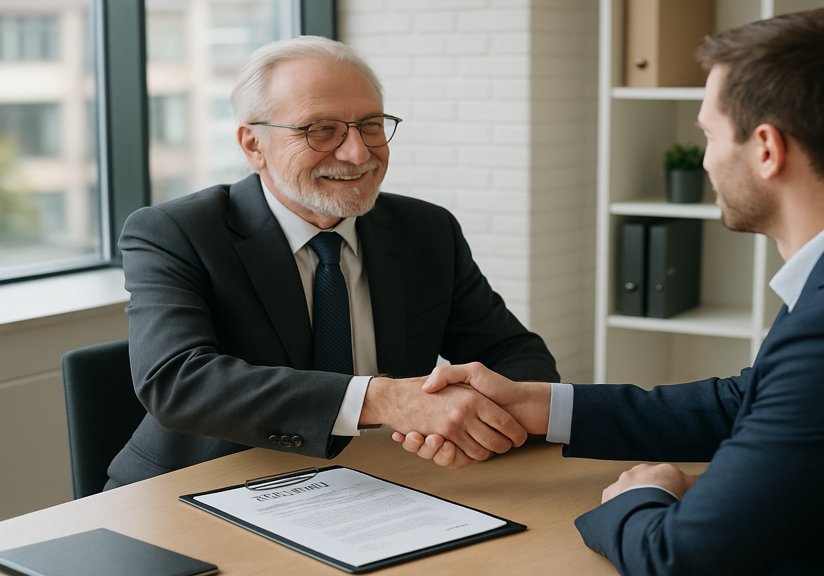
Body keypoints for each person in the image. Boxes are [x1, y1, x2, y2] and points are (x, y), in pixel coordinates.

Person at [394, 8, 824, 574]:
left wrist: (646, 492)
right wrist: (542, 406)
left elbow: (681, 560)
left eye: (710, 135)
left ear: (767, 149)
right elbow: (753, 401)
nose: (704, 161)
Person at [107, 35, 559, 489]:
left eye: (371, 125)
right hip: (204, 486)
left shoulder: (426, 230)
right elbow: (177, 380)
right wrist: (383, 399)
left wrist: (478, 421)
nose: (358, 153)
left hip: (381, 481)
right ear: (253, 145)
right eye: (320, 130)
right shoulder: (177, 231)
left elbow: (515, 355)